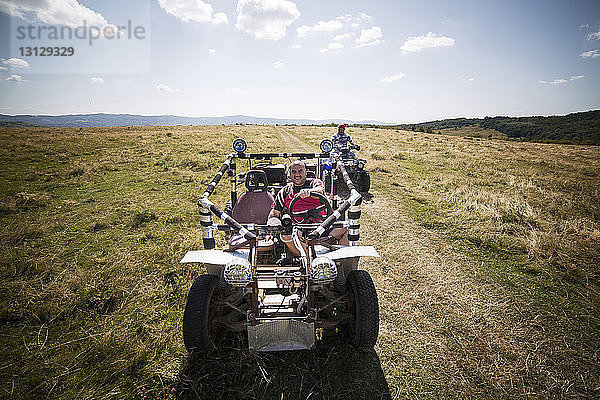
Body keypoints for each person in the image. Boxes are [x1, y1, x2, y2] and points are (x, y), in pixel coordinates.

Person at [268, 160, 348, 249]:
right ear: (289, 174)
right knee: (287, 235)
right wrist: (272, 225)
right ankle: (307, 260)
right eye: (294, 172)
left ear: (306, 172)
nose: (297, 174)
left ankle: (344, 261)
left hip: (321, 227)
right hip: (298, 228)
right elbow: (275, 212)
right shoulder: (284, 192)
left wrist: (309, 192)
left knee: (345, 231)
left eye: (300, 171)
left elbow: (320, 191)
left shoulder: (314, 183)